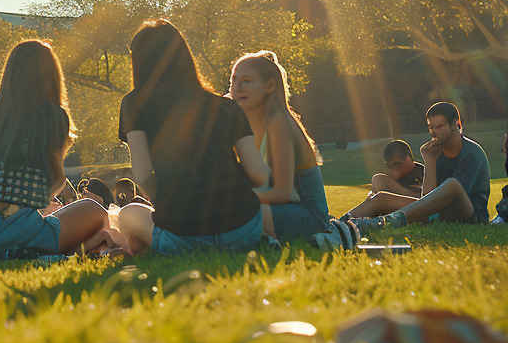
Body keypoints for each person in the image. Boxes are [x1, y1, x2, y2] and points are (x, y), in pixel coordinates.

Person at [114, 21, 270, 255]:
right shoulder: (226, 106)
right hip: (244, 229)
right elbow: (259, 174)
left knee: (127, 214)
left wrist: (167, 202)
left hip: (185, 238)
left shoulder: (134, 104)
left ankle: (139, 248)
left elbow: (144, 175)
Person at [0, 39, 116, 257]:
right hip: (18, 231)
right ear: (51, 76)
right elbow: (55, 182)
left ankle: (86, 245)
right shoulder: (51, 115)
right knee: (94, 210)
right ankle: (87, 246)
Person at [229, 51, 331, 242]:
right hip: (280, 210)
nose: (237, 87)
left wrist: (237, 200)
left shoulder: (278, 122)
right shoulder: (245, 122)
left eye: (247, 81)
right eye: (233, 80)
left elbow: (282, 193)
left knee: (241, 213)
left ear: (269, 86)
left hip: (310, 217)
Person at [344, 101, 490, 230]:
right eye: (431, 127)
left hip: (470, 217)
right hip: (438, 212)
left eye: (439, 126)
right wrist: (429, 160)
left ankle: (389, 221)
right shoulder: (435, 152)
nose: (434, 132)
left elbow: (451, 199)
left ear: (457, 124)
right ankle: (341, 223)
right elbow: (428, 199)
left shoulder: (472, 154)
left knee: (452, 184)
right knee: (381, 198)